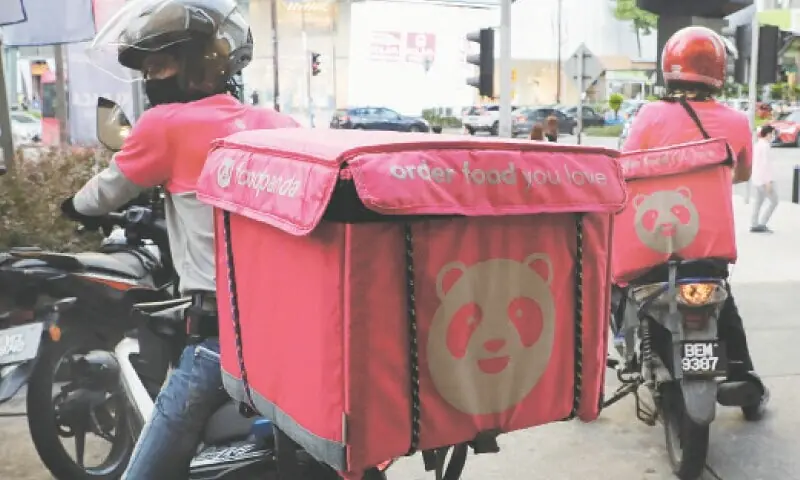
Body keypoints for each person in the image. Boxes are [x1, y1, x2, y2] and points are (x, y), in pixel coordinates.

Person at [58, 0, 299, 477]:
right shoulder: (276, 125)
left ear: (198, 65)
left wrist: (71, 207)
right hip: (291, 335)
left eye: (162, 63)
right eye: (147, 67)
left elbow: (106, 191)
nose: (152, 77)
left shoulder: (165, 125)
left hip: (221, 340)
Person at [620, 25, 769, 420]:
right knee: (724, 302)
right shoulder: (737, 121)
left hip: (649, 245)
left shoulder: (650, 114)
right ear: (719, 71)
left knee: (623, 290)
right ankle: (744, 375)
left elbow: (626, 170)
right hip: (708, 250)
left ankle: (630, 351)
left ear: (669, 68)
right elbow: (740, 173)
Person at [750, 125, 778, 233]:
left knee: (758, 201)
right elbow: (765, 165)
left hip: (757, 179)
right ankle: (762, 223)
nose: (773, 136)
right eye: (772, 133)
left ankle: (754, 224)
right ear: (768, 134)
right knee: (774, 201)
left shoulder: (757, 145)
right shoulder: (765, 146)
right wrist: (768, 181)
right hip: (764, 180)